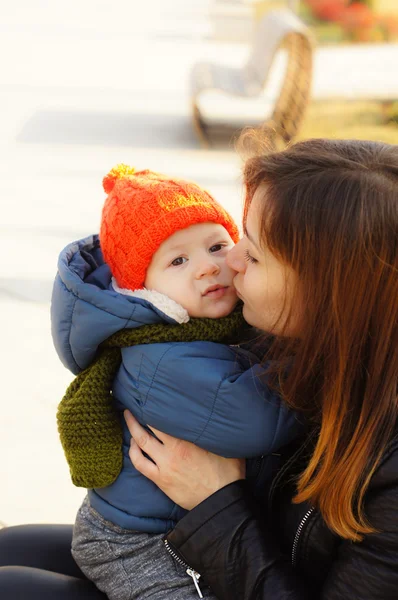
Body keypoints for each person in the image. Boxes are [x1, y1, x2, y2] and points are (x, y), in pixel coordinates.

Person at [0, 137, 396, 600]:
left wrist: (216, 504)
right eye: (240, 235)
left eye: (253, 252)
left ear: (330, 291)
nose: (228, 260)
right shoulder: (294, 342)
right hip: (213, 544)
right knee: (13, 549)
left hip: (232, 554)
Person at [51, 165, 303, 600]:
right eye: (178, 260)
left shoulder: (204, 330)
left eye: (217, 245)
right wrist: (307, 361)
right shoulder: (163, 357)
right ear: (143, 290)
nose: (208, 267)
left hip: (173, 522)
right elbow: (255, 421)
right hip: (133, 542)